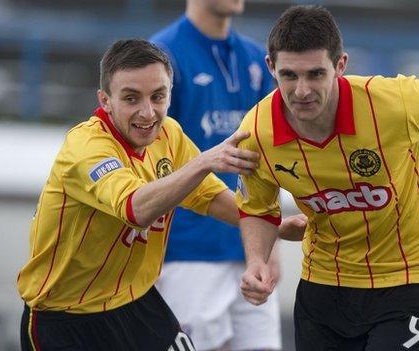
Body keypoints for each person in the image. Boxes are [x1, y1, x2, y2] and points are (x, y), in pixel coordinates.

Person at [235, 5, 419, 351]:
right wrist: (257, 261)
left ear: (341, 66)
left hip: (411, 275)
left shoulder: (396, 101)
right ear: (271, 67)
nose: (302, 90)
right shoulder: (257, 132)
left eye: (316, 74)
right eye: (289, 75)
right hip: (325, 281)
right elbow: (257, 208)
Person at [16, 39, 305, 351]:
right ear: (105, 100)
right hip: (65, 316)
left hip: (134, 299)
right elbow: (135, 209)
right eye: (131, 98)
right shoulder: (86, 148)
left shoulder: (169, 134)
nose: (147, 112)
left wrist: (275, 225)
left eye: (158, 96)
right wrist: (205, 161)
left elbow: (207, 196)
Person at [149, 1, 282, 350]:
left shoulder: (256, 58)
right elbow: (146, 157)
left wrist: (272, 246)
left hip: (249, 252)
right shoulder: (161, 56)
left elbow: (268, 158)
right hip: (187, 254)